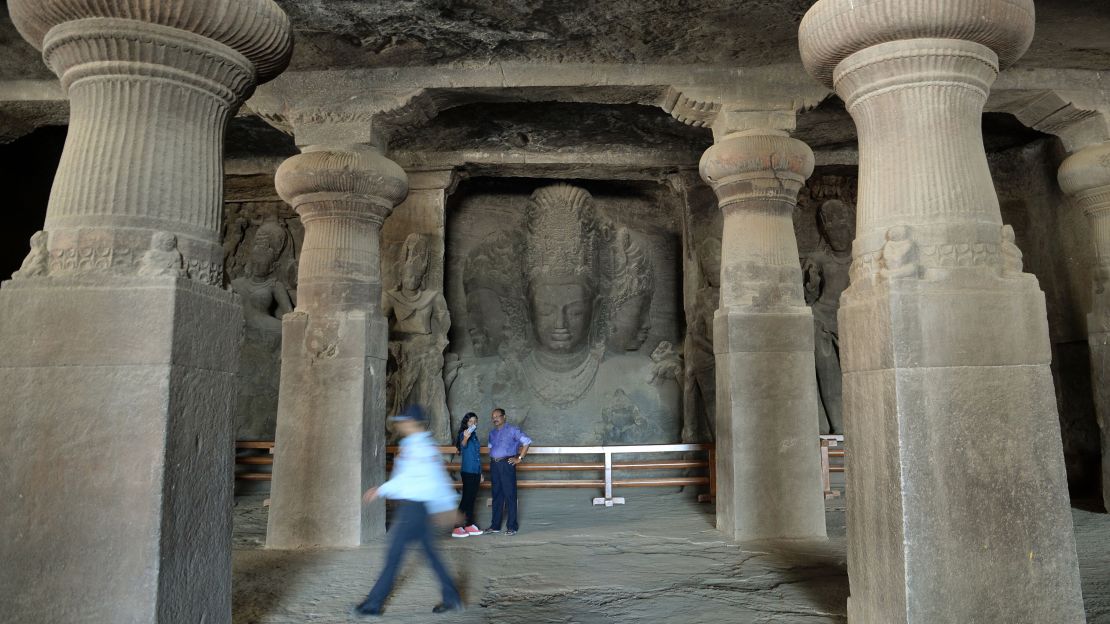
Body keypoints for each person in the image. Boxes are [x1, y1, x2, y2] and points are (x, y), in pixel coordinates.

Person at [355, 405, 463, 616]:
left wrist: (380, 490)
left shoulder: (415, 447)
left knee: (394, 557)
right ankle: (452, 597)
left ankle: (373, 604)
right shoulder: (425, 446)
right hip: (420, 510)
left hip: (413, 511)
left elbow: (408, 480)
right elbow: (437, 479)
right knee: (431, 556)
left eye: (403, 421)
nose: (400, 425)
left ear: (412, 423)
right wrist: (448, 505)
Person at [486, 408, 531, 536]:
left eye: (497, 416)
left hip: (507, 464)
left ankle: (512, 526)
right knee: (496, 495)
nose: (495, 418)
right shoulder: (492, 433)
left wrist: (519, 458)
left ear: (504, 417)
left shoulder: (513, 430)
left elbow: (527, 442)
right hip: (494, 464)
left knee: (510, 495)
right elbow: (491, 448)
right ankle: (495, 525)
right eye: (493, 417)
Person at [452, 413, 484, 538]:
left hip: (476, 472)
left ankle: (469, 524)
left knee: (472, 499)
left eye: (475, 421)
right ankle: (456, 527)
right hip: (468, 472)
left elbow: (477, 456)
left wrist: (480, 473)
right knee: (466, 500)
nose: (473, 423)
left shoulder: (475, 436)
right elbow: (463, 445)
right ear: (466, 423)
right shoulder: (464, 434)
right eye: (470, 421)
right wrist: (466, 437)